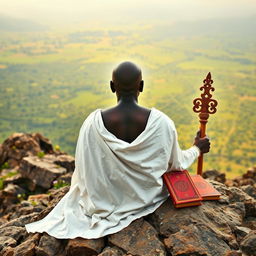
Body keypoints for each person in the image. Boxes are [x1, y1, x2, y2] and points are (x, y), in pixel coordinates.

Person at [25, 61, 210, 239]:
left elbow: (83, 170)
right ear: (142, 86)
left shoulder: (92, 123)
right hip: (147, 199)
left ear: (112, 86)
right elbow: (176, 164)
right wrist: (197, 149)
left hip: (101, 202)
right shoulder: (162, 123)